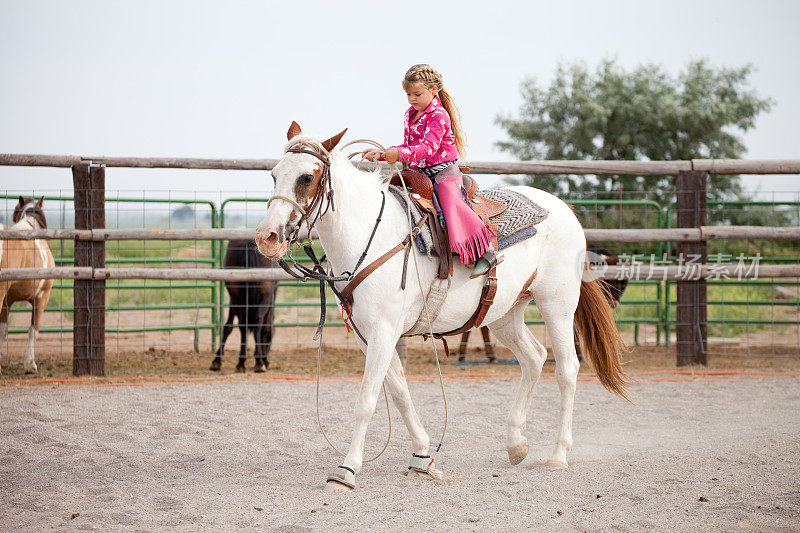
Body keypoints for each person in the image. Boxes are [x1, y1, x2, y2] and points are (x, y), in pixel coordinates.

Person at [364, 64, 500, 278]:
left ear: (435, 89)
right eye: (408, 94)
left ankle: (486, 251)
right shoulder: (411, 114)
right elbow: (408, 144)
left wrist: (397, 155)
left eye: (417, 94)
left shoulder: (439, 115)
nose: (412, 99)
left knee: (451, 205)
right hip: (419, 173)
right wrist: (382, 154)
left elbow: (428, 148)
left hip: (442, 173)